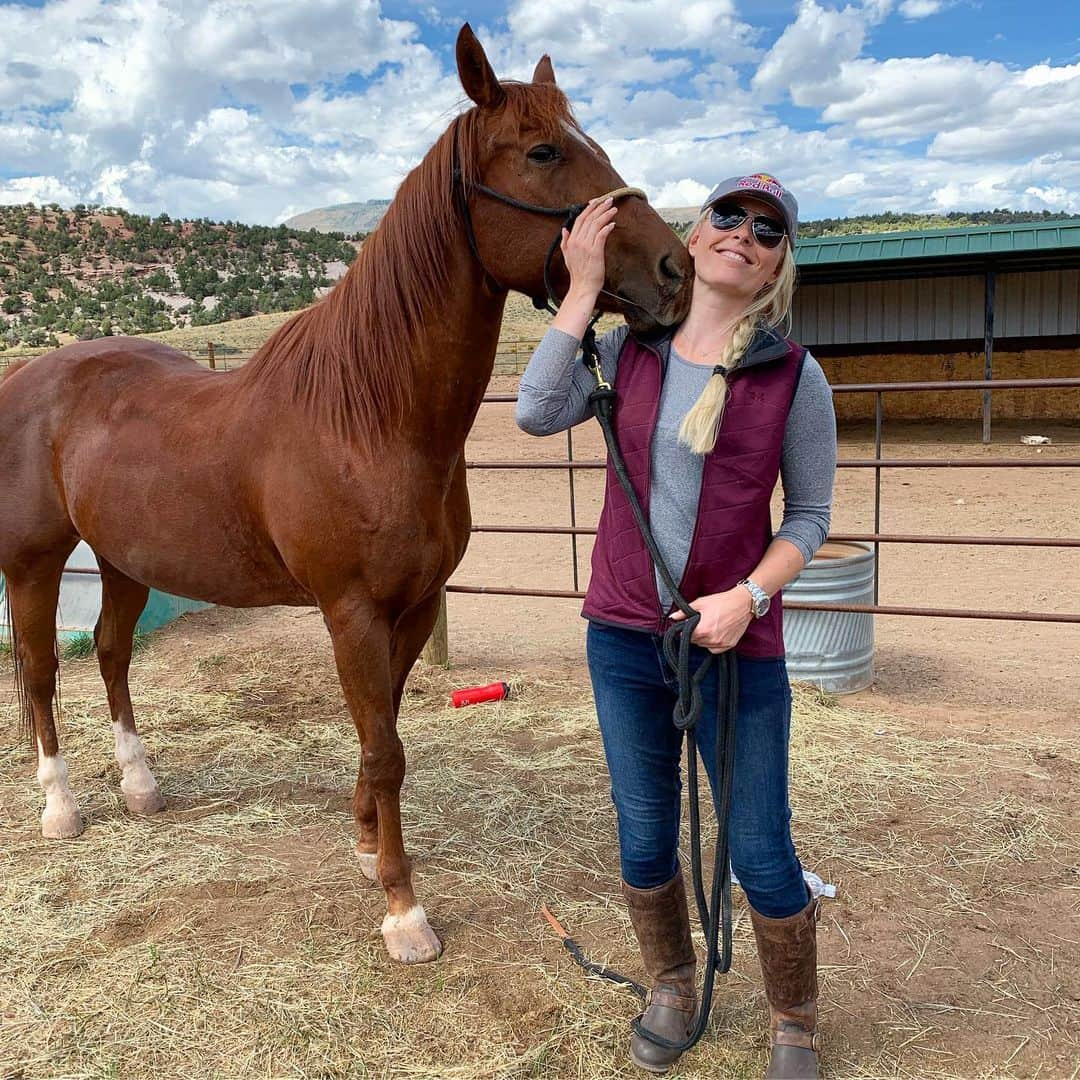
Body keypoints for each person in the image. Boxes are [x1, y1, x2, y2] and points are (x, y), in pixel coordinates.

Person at [516, 174, 837, 1079]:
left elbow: (808, 517)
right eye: (728, 216)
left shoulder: (792, 375)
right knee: (644, 830)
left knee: (763, 846)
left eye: (767, 229)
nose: (745, 233)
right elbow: (537, 412)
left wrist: (749, 598)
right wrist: (580, 289)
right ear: (694, 238)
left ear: (777, 263)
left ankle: (794, 1018)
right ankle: (669, 982)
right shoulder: (627, 351)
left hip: (737, 647)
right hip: (625, 637)